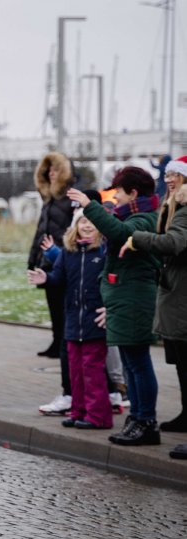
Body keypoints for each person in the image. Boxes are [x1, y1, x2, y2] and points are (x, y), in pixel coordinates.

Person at [69, 166, 161, 445]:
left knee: (138, 362)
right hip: (124, 297)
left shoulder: (144, 219)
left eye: (118, 191)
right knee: (132, 363)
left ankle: (146, 421)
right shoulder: (134, 215)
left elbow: (120, 233)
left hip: (135, 298)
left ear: (132, 192)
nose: (115, 196)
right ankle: (137, 419)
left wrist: (91, 206)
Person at [121, 160, 187, 438]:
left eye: (175, 175)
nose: (169, 179)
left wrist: (137, 239)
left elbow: (173, 243)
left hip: (182, 296)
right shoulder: (174, 206)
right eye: (168, 174)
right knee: (181, 363)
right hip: (176, 294)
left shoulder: (184, 209)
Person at [28, 210, 112, 429]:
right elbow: (58, 279)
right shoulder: (68, 252)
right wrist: (46, 278)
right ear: (75, 226)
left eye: (92, 222)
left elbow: (112, 283)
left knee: (92, 371)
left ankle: (98, 417)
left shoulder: (104, 252)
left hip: (95, 322)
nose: (87, 225)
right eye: (83, 221)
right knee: (75, 371)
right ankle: (78, 411)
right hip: (74, 321)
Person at [29, 152, 77, 360]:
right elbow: (41, 231)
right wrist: (33, 259)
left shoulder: (69, 198)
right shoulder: (48, 199)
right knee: (53, 305)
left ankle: (64, 343)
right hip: (46, 259)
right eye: (49, 170)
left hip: (62, 257)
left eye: (56, 170)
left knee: (63, 305)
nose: (52, 173)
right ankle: (56, 341)